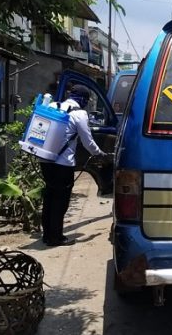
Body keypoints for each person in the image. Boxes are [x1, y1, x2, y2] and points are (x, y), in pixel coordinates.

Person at [39, 84, 106, 246]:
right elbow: (87, 141)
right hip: (63, 164)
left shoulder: (54, 106)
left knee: (49, 197)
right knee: (60, 201)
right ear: (82, 99)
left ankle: (47, 235)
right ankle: (56, 237)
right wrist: (99, 153)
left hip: (44, 160)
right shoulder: (79, 114)